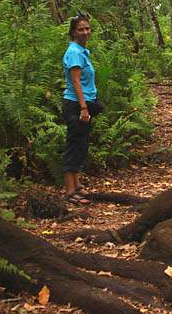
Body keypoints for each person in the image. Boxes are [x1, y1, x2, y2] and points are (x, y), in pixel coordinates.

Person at [62, 13, 99, 204]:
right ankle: (69, 191)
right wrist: (84, 108)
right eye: (80, 29)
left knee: (81, 146)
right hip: (76, 105)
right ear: (73, 32)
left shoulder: (82, 50)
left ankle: (77, 185)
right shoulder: (75, 52)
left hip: (83, 104)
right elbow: (75, 81)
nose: (85, 32)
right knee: (74, 145)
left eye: (87, 28)